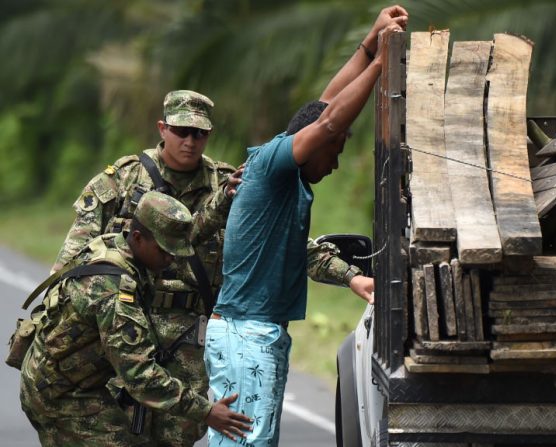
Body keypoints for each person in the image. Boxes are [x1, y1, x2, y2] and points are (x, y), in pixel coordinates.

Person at [51, 90, 374, 444]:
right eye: (181, 131)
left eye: (199, 133)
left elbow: (287, 245)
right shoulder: (120, 181)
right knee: (121, 434)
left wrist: (350, 275)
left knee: (182, 434)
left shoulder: (230, 182)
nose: (190, 141)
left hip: (191, 339)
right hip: (127, 330)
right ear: (163, 128)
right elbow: (72, 265)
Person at [203, 5, 408, 446]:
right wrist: (380, 62)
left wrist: (370, 40)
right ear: (316, 143)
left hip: (255, 330)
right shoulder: (275, 165)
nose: (334, 165)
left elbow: (325, 107)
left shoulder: (284, 174)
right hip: (247, 332)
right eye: (333, 153)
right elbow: (330, 119)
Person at [20, 191, 252, 446]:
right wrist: (207, 412)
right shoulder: (114, 290)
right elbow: (139, 375)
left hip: (68, 380)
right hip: (61, 395)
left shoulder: (115, 244)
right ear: (139, 238)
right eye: (165, 251)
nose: (171, 259)